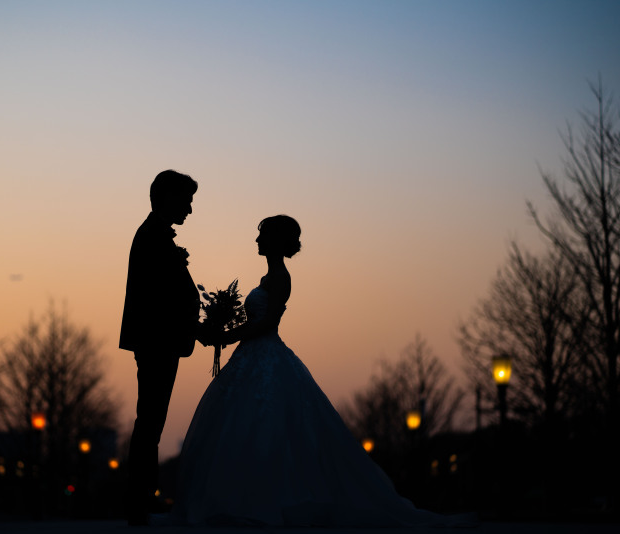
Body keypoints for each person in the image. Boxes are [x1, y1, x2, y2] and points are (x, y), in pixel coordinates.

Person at [170, 215, 474, 527]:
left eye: (262, 236)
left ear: (275, 240)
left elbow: (266, 324)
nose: (257, 241)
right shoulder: (269, 276)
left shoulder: (279, 277)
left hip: (265, 357)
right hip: (252, 357)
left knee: (267, 428)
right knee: (247, 428)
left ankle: (263, 502)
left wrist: (225, 335)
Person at [120, 169, 206, 526]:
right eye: (186, 201)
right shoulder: (153, 237)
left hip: (160, 340)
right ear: (167, 197)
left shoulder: (155, 235)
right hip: (157, 342)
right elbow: (161, 300)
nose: (189, 209)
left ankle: (143, 497)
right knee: (150, 422)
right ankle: (139, 501)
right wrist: (199, 328)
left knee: (151, 421)